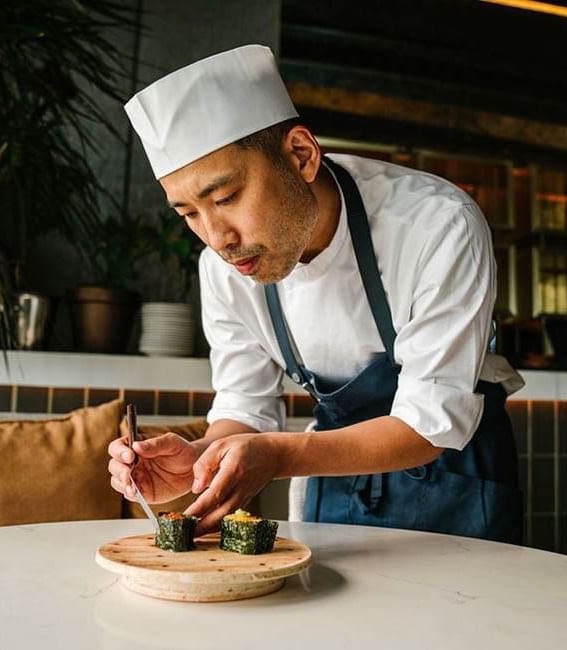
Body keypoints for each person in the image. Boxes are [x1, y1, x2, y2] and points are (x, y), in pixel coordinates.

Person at [108, 44, 526, 542]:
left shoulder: (436, 224)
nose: (217, 237)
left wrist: (279, 455)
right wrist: (199, 460)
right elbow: (246, 407)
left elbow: (428, 422)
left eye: (225, 198)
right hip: (332, 479)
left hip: (455, 479)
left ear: (301, 155)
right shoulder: (223, 270)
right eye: (189, 214)